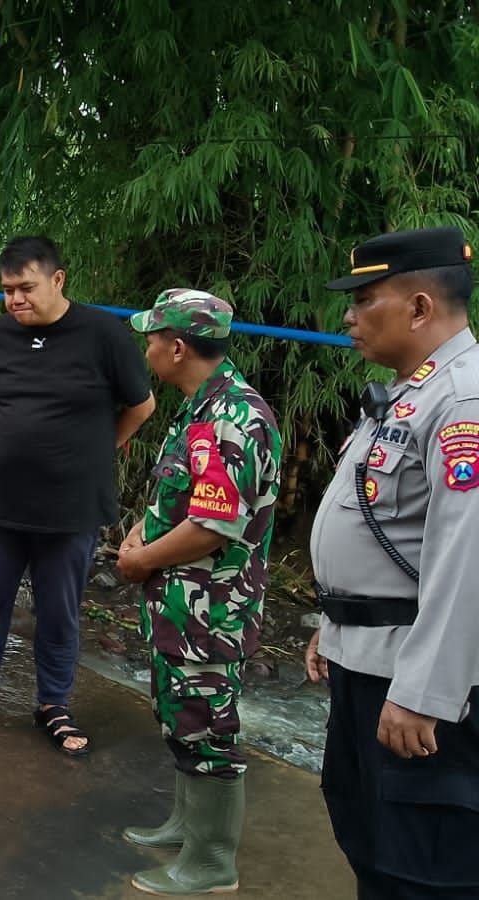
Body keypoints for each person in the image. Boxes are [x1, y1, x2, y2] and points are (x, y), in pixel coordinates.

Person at [304, 227, 479, 899]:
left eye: (364, 298)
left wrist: (424, 693)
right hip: (368, 658)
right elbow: (387, 538)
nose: (348, 316)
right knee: (369, 842)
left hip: (411, 684)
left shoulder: (461, 400)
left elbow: (465, 558)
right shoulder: (413, 391)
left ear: (419, 308)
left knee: (422, 868)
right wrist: (336, 622)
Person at [0, 237, 155, 756]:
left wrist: (97, 450)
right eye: (8, 290)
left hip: (70, 508)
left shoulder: (103, 334)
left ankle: (53, 702)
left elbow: (141, 405)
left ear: (58, 281)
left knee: (58, 610)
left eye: (27, 288)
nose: (16, 299)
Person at [114, 290, 280, 894]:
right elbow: (181, 499)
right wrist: (142, 531)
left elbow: (214, 525)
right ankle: (187, 823)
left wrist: (140, 561)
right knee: (181, 715)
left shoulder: (234, 417)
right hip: (181, 606)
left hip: (211, 610)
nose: (149, 348)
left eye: (153, 339)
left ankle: (212, 861)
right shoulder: (198, 408)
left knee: (209, 727)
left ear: (177, 347)